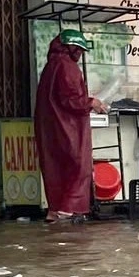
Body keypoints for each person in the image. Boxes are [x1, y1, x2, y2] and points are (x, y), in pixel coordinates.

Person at [33, 27, 96, 224]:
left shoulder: (51, 66)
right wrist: (92, 103)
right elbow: (71, 100)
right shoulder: (67, 67)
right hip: (68, 127)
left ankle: (55, 210)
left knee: (55, 168)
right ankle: (67, 210)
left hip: (49, 128)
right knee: (79, 167)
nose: (79, 54)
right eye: (78, 49)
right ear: (70, 48)